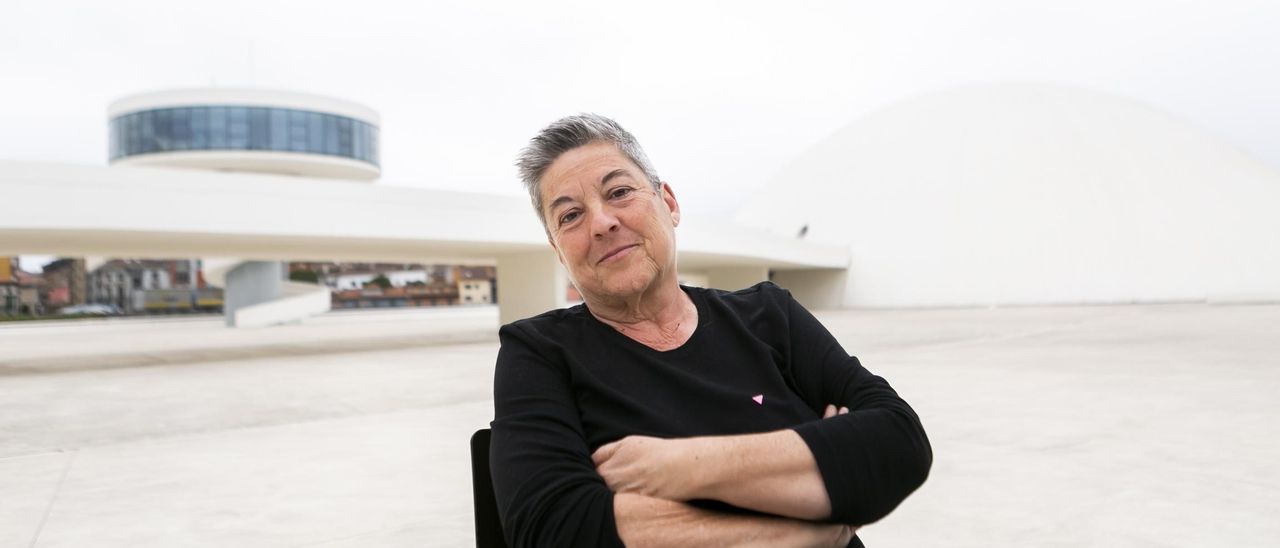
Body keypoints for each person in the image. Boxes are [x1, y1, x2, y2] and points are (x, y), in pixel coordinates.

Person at [490, 114, 931, 547]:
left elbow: (898, 442)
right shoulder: (537, 352)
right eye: (570, 216)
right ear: (557, 249)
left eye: (620, 192)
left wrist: (675, 468)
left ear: (670, 203)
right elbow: (552, 528)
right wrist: (806, 519)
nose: (602, 223)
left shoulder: (768, 313)